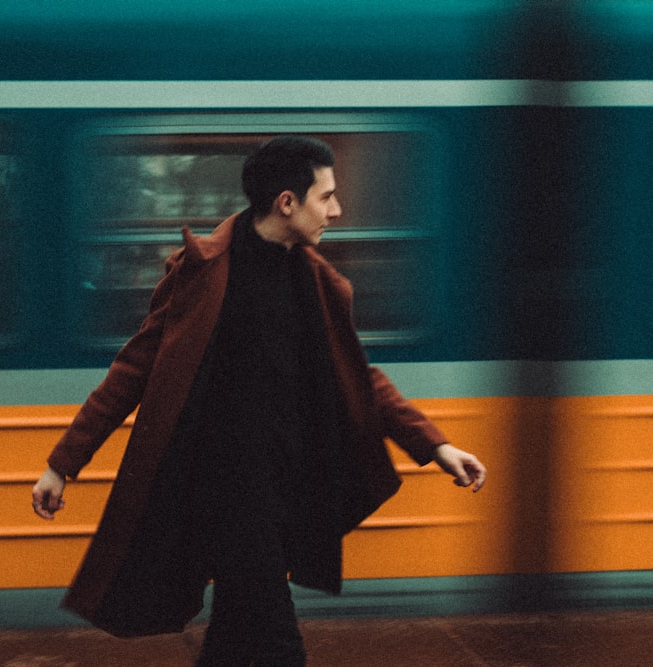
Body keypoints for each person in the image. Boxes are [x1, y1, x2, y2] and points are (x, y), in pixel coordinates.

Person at [32, 135, 487, 666]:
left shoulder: (317, 281)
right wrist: (62, 465)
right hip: (223, 492)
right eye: (326, 197)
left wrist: (435, 446)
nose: (336, 211)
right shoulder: (205, 273)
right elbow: (134, 369)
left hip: (284, 488)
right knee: (275, 641)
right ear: (286, 203)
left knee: (235, 635)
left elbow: (360, 378)